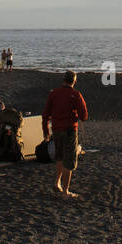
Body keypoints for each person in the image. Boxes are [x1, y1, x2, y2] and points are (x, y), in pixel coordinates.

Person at [43, 70, 89, 198]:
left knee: (59, 156)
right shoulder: (75, 94)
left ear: (64, 79)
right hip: (69, 130)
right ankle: (65, 191)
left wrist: (46, 130)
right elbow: (84, 116)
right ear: (74, 81)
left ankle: (57, 182)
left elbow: (45, 114)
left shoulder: (54, 94)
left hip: (56, 129)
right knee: (69, 160)